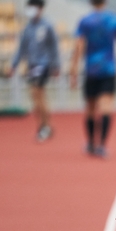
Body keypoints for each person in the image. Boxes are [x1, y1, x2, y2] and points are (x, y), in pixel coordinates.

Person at [69, 0, 116, 158]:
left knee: (90, 107)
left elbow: (79, 46)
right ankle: (102, 145)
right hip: (109, 69)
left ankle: (90, 143)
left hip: (91, 70)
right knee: (106, 106)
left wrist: (73, 70)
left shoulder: (85, 21)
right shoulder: (114, 19)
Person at [8, 0, 60, 142]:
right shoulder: (27, 28)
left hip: (43, 65)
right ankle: (45, 125)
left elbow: (54, 46)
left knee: (37, 93)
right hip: (32, 65)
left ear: (40, 9)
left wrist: (56, 65)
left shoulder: (47, 26)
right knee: (37, 97)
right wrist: (14, 65)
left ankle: (45, 126)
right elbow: (21, 48)